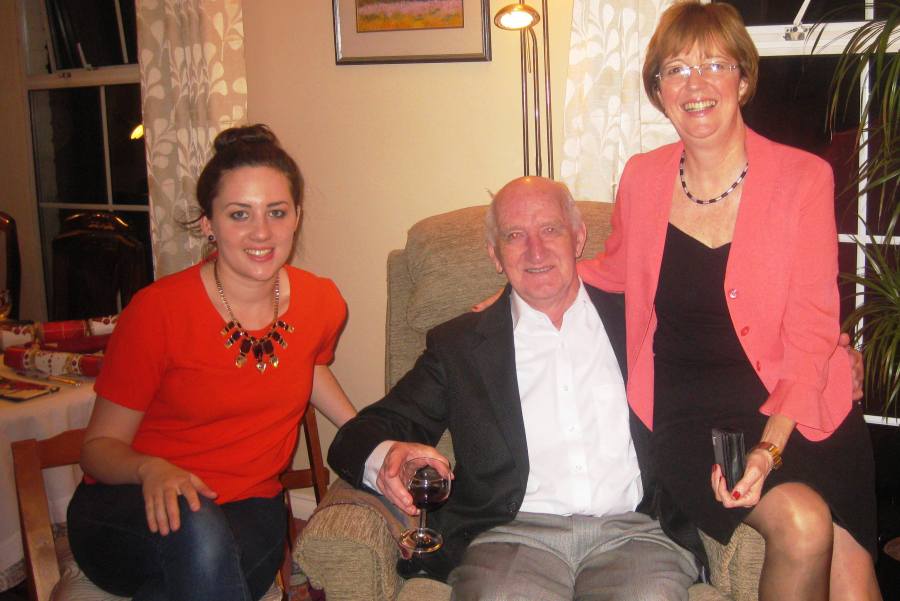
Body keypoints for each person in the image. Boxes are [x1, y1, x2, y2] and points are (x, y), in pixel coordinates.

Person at [575, 2, 880, 600]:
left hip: (801, 403)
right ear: (658, 91)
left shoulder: (803, 178)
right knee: (800, 522)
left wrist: (770, 448)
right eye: (676, 69)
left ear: (743, 77)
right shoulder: (641, 177)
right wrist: (520, 289)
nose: (696, 84)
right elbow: (612, 271)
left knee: (855, 573)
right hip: (693, 416)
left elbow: (815, 327)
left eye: (715, 63)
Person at [329, 176, 699, 601]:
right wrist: (390, 456)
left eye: (550, 229)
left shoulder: (642, 318)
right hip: (512, 537)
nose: (535, 250)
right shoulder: (460, 347)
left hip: (635, 533)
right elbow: (356, 436)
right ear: (495, 255)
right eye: (514, 235)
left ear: (578, 238)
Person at [66, 124, 357, 601]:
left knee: (194, 573)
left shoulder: (322, 301)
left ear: (296, 217)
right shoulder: (157, 311)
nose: (261, 232)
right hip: (130, 507)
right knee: (198, 531)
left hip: (249, 508)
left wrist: (373, 441)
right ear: (208, 223)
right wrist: (150, 469)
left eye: (276, 212)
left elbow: (307, 367)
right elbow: (97, 447)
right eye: (239, 214)